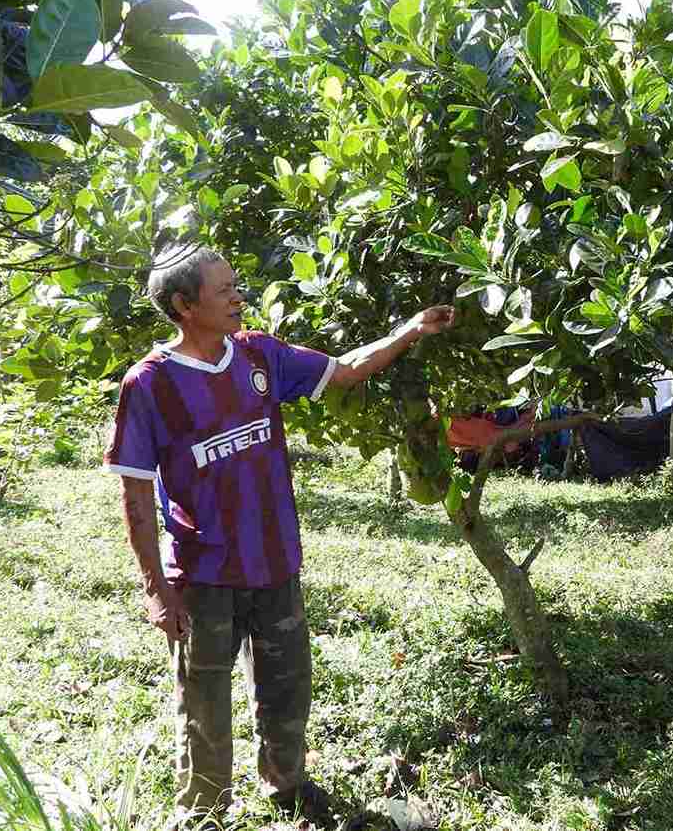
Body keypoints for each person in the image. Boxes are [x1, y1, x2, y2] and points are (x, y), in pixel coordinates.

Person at [103, 244, 455, 823]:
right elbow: (135, 494)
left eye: (237, 285)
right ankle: (205, 811)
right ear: (185, 306)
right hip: (202, 576)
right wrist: (154, 588)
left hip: (274, 565)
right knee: (204, 706)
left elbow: (344, 370)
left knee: (287, 691)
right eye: (225, 291)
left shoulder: (259, 355)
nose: (239, 297)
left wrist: (410, 330)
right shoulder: (150, 385)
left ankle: (286, 787)